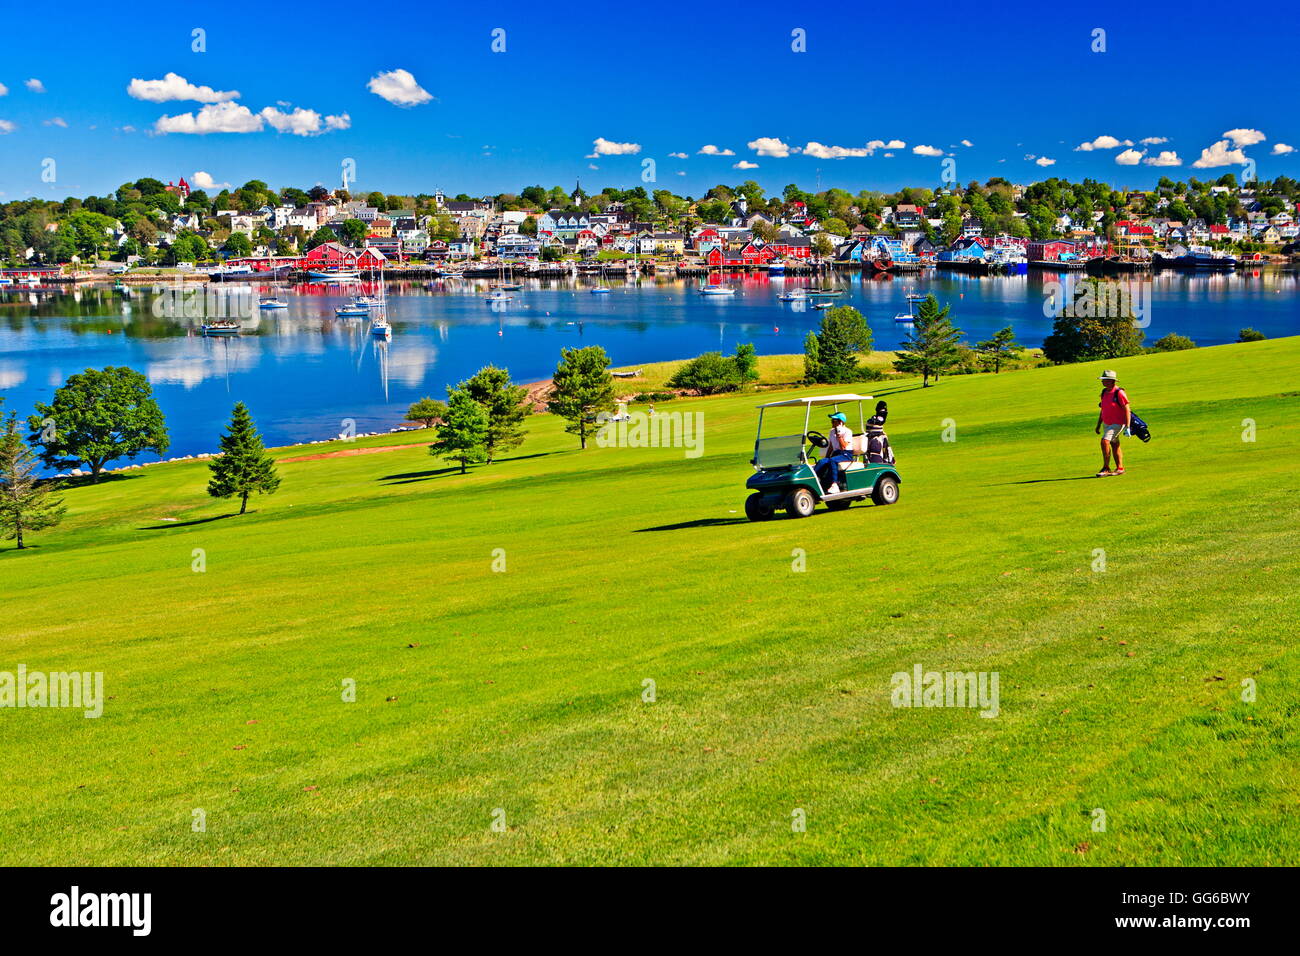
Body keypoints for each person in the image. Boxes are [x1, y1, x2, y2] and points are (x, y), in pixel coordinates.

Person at [1094, 370, 1132, 477]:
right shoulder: (1104, 392)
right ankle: (1120, 468)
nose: (1102, 382)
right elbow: (1103, 410)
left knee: (1104, 441)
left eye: (1105, 380)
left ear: (1111, 381)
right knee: (1115, 444)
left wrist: (1128, 427)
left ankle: (1106, 468)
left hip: (1117, 423)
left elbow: (1127, 409)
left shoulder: (1119, 392)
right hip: (1107, 423)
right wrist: (1098, 425)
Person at [815, 412, 855, 492]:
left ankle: (835, 484)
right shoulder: (832, 432)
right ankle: (816, 480)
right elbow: (831, 446)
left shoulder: (847, 432)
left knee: (833, 460)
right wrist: (827, 457)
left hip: (846, 454)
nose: (832, 422)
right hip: (836, 453)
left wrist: (839, 435)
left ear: (840, 422)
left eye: (834, 421)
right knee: (822, 461)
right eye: (832, 421)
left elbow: (843, 447)